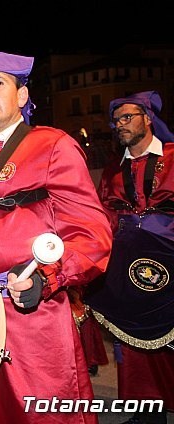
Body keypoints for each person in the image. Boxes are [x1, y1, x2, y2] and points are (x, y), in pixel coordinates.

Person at [0, 51, 112, 424]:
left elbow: (92, 235)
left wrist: (46, 277)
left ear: (23, 96)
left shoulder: (52, 145)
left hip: (31, 318)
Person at [88, 91, 174, 424]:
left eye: (128, 117)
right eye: (117, 120)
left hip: (168, 261)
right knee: (131, 339)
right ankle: (143, 412)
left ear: (148, 119)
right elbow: (103, 215)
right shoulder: (112, 170)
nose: (120, 125)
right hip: (127, 265)